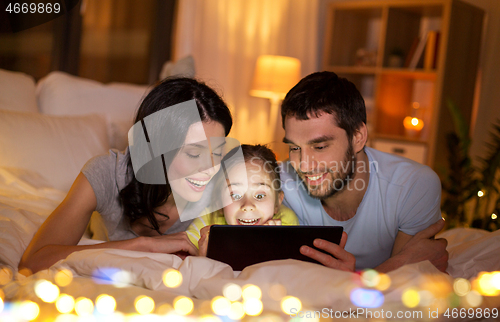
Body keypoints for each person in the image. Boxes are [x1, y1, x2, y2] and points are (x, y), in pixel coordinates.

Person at [19, 77, 233, 274]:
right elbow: (32, 263)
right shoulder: (106, 174)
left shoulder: (226, 183)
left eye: (217, 152)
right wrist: (142, 245)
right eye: (194, 153)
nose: (210, 168)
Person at [280, 71, 448, 273]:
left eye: (320, 147)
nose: (303, 165)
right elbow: (401, 269)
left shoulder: (413, 185)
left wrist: (354, 280)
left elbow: (402, 287)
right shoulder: (277, 182)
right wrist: (396, 264)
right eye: (295, 148)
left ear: (358, 137)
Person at [186, 144, 299, 256]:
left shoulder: (286, 225)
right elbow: (185, 259)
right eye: (235, 195)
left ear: (277, 203)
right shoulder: (206, 224)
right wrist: (202, 257)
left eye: (260, 196)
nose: (247, 205)